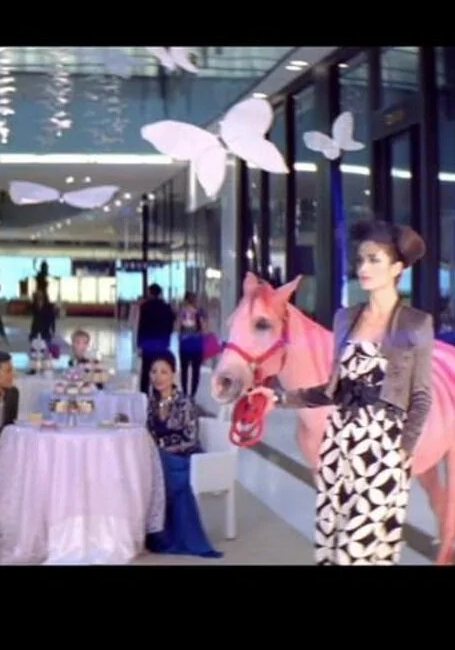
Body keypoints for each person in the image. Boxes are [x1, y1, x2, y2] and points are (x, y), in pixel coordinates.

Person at [247, 219, 433, 566]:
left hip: (383, 447)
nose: (363, 268)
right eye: (360, 259)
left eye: (374, 259)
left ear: (397, 268)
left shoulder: (416, 323)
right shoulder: (345, 319)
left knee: (362, 548)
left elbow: (421, 397)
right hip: (338, 442)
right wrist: (281, 398)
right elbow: (333, 390)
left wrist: (403, 451)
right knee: (333, 542)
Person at [144, 352, 222, 558]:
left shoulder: (185, 402)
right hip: (160, 457)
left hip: (185, 456)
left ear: (174, 375)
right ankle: (148, 531)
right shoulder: (151, 403)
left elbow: (190, 439)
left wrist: (161, 449)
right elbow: (149, 434)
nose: (158, 377)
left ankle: (171, 536)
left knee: (162, 467)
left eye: (164, 372)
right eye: (154, 372)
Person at [136, 284, 175, 394]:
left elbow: (141, 325)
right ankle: (157, 392)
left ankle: (144, 393)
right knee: (158, 369)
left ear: (150, 293)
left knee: (146, 370)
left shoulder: (145, 306)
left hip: (147, 343)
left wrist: (139, 343)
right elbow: (171, 324)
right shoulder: (166, 307)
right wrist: (167, 340)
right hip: (161, 344)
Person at [177, 292, 206, 399]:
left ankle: (185, 392)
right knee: (195, 370)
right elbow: (203, 328)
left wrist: (180, 337)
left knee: (184, 369)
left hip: (184, 343)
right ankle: (193, 394)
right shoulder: (200, 311)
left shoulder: (182, 311)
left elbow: (177, 327)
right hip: (196, 343)